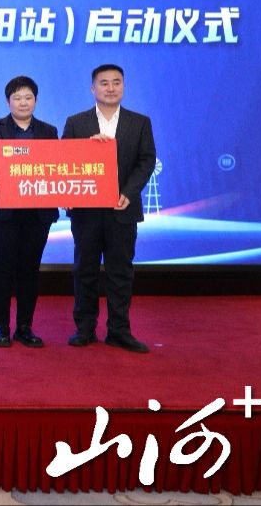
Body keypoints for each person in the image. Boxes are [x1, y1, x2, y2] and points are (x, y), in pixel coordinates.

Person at [62, 64, 156, 354]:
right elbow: (63, 160)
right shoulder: (76, 123)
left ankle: (119, 331)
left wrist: (129, 192)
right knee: (85, 270)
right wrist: (86, 149)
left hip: (122, 208)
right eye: (104, 83)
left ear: (123, 86)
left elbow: (146, 160)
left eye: (116, 82)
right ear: (93, 88)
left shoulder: (139, 122)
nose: (111, 88)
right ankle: (85, 328)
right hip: (86, 211)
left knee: (120, 272)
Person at [0, 76, 59, 348]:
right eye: (17, 98)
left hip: (37, 213)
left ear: (36, 100)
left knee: (30, 270)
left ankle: (24, 326)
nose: (23, 103)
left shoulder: (48, 131)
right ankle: (1, 326)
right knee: (2, 268)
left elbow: (58, 165)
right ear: (8, 101)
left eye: (28, 97)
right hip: (3, 212)